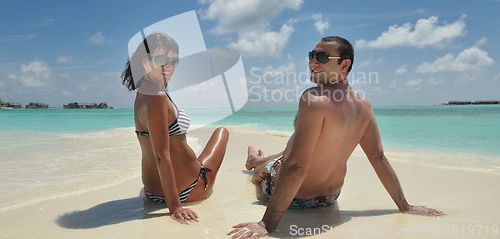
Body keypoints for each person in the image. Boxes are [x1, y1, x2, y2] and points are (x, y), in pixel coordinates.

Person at [228, 36, 444, 238]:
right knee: (295, 147)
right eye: (311, 55)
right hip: (330, 198)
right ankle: (257, 159)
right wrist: (405, 206)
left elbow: (297, 168)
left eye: (321, 57)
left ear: (344, 65)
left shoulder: (313, 98)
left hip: (296, 198)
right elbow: (378, 158)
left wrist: (267, 224)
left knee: (261, 173)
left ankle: (256, 163)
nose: (313, 62)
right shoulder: (364, 106)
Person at [121, 32, 229, 224]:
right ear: (145, 62)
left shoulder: (143, 93)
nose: (169, 66)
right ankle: (257, 162)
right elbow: (162, 156)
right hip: (190, 190)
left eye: (174, 61)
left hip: (152, 193)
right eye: (161, 59)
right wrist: (175, 207)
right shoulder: (158, 97)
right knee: (222, 132)